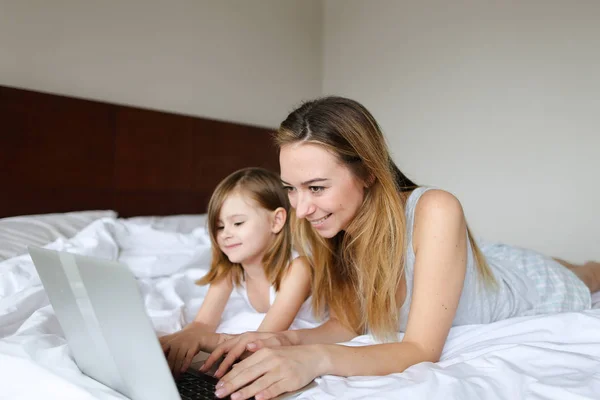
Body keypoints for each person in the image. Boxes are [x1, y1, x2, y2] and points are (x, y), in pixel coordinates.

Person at [198, 96, 600, 400]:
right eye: (291, 189)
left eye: (316, 188)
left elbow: (421, 349)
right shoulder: (334, 226)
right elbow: (350, 323)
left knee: (584, 274)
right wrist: (282, 341)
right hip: (473, 264)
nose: (300, 209)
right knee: (502, 257)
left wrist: (317, 358)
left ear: (368, 171)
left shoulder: (436, 207)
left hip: (520, 286)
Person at [159, 167, 313, 376]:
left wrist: (205, 340)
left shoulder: (298, 269)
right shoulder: (230, 270)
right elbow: (202, 323)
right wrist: (177, 339)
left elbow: (262, 340)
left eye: (238, 223)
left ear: (276, 221)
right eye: (220, 226)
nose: (226, 234)